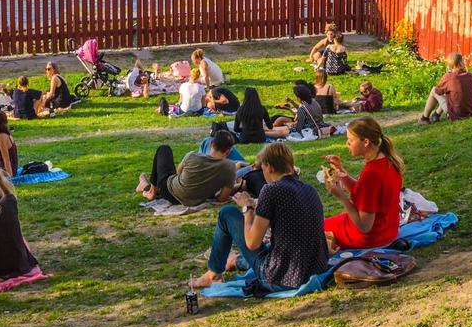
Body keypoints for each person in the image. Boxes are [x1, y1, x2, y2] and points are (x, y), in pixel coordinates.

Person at [189, 142, 329, 292]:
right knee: (270, 247)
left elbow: (252, 243)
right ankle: (234, 262)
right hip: (316, 270)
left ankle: (213, 274)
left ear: (269, 167)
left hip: (282, 278)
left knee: (227, 214)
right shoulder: (310, 189)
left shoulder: (270, 190)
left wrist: (247, 208)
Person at [322, 117, 404, 251]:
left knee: (313, 228)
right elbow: (364, 192)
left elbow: (364, 226)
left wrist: (341, 196)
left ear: (365, 142)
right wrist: (340, 170)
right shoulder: (387, 160)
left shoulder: (371, 174)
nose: (347, 143)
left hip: (372, 237)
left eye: (351, 140)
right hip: (388, 230)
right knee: (330, 222)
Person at [138, 129, 239, 206]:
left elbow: (178, 172)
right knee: (168, 177)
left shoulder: (192, 156)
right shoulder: (230, 168)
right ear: (229, 150)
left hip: (170, 193)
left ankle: (151, 191)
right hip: (196, 199)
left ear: (212, 143)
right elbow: (222, 198)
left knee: (164, 149)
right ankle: (145, 185)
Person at [421, 52, 472, 123]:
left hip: (458, 114)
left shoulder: (449, 76)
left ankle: (424, 118)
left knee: (434, 90)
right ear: (461, 62)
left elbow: (438, 91)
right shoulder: (470, 75)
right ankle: (436, 115)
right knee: (451, 93)